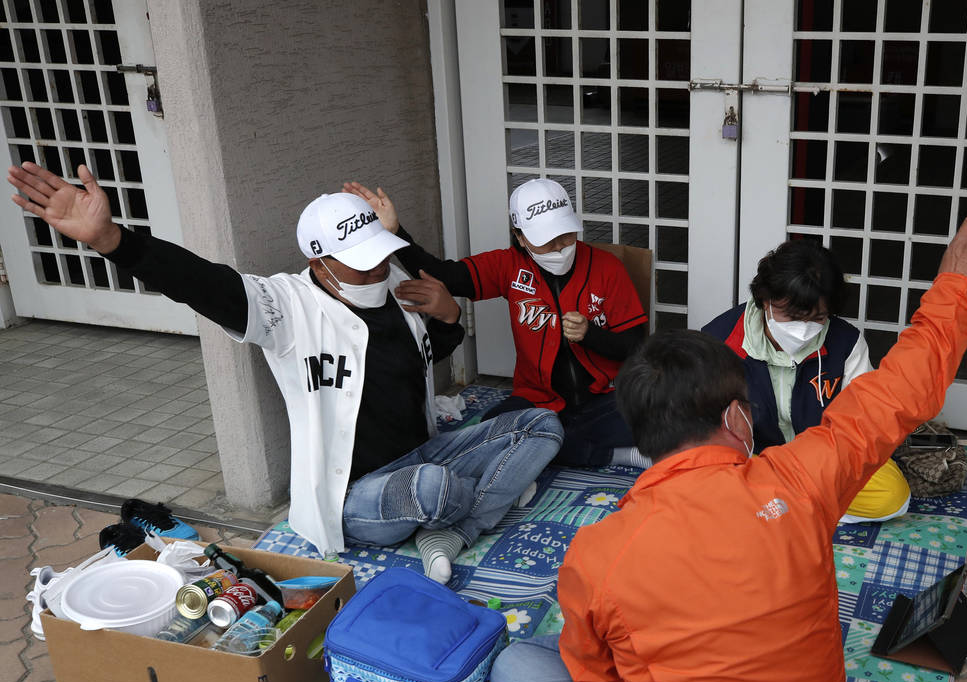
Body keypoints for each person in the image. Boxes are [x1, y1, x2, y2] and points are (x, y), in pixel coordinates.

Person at [487, 199, 967, 682]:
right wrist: (960, 283)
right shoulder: (801, 482)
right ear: (739, 419)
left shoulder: (599, 551)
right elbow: (903, 389)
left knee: (518, 664)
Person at [7, 162, 564, 581]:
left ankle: (455, 530)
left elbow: (422, 358)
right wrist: (113, 241)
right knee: (436, 486)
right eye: (360, 256)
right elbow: (202, 282)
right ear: (319, 262)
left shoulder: (395, 287)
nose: (375, 265)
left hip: (422, 452)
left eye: (380, 251)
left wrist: (447, 319)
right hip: (357, 495)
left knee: (541, 425)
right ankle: (479, 502)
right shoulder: (284, 307)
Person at [343, 177, 650, 470]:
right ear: (520, 236)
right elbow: (444, 276)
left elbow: (636, 345)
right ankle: (611, 454)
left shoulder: (607, 268)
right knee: (490, 435)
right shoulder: (509, 266)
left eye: (566, 235)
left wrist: (590, 334)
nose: (559, 247)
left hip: (604, 398)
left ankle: (551, 450)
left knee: (663, 413)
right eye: (547, 240)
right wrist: (396, 233)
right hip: (538, 401)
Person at [702, 238, 911, 523]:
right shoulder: (719, 342)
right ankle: (793, 507)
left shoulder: (846, 343)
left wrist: (819, 462)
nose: (803, 329)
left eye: (818, 318)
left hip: (821, 462)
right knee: (706, 485)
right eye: (792, 316)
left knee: (892, 498)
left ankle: (774, 510)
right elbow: (702, 428)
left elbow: (865, 424)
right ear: (765, 299)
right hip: (754, 461)